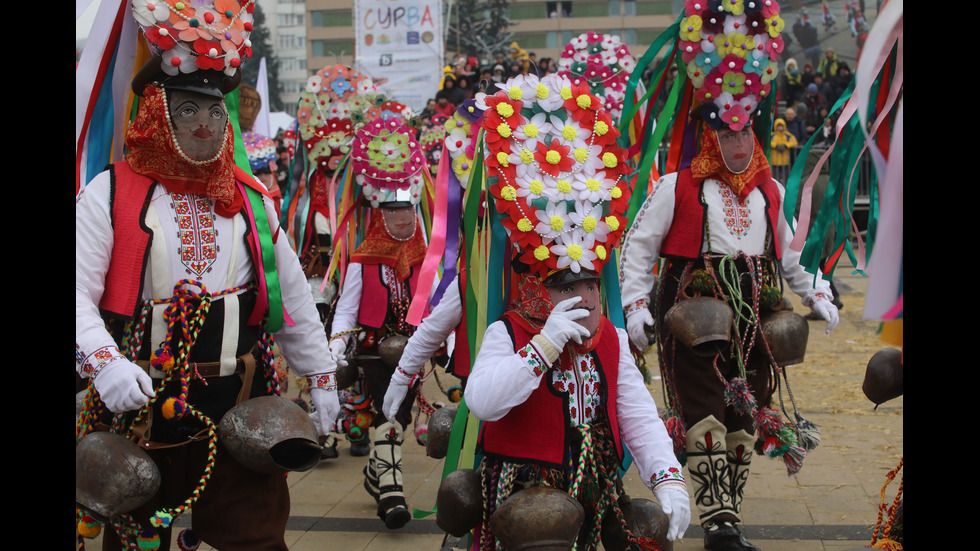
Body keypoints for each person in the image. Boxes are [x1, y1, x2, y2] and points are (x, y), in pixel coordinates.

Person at [75, 13, 341, 549]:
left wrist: (322, 376)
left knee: (257, 538)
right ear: (156, 114)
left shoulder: (252, 200)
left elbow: (291, 302)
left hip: (240, 405)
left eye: (215, 110)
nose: (205, 123)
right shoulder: (108, 194)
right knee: (135, 540)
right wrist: (105, 365)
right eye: (187, 109)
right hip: (138, 409)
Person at [619, 2, 839, 550]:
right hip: (692, 315)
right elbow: (637, 250)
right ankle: (719, 526)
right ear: (710, 134)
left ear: (755, 135)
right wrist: (636, 306)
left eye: (745, 136)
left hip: (754, 319)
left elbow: (790, 256)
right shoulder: (678, 185)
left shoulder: (771, 191)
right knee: (703, 416)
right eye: (727, 135)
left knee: (744, 419)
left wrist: (817, 292)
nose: (738, 146)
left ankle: (728, 516)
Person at [462, 71, 691, 550]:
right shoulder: (512, 331)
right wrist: (544, 346)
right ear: (539, 290)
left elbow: (635, 411)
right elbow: (482, 401)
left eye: (590, 284)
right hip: (526, 497)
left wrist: (667, 475)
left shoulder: (608, 337)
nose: (584, 298)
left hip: (595, 490)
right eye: (568, 287)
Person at [324, 132, 431, 528]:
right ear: (379, 215)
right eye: (394, 213)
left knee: (399, 419)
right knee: (387, 415)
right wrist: (337, 347)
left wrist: (447, 342)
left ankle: (375, 475)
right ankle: (392, 494)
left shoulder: (426, 258)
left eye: (408, 212)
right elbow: (347, 309)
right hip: (373, 353)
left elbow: (436, 308)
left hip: (414, 352)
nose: (403, 220)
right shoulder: (363, 259)